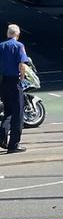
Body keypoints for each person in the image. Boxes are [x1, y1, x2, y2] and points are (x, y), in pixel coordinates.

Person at [0, 24, 29, 153]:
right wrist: (22, 77)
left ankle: (1, 137)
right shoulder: (19, 46)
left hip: (3, 81)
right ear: (17, 34)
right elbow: (22, 64)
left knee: (8, 111)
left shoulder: (1, 46)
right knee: (17, 113)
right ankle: (14, 145)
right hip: (14, 82)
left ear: (8, 34)